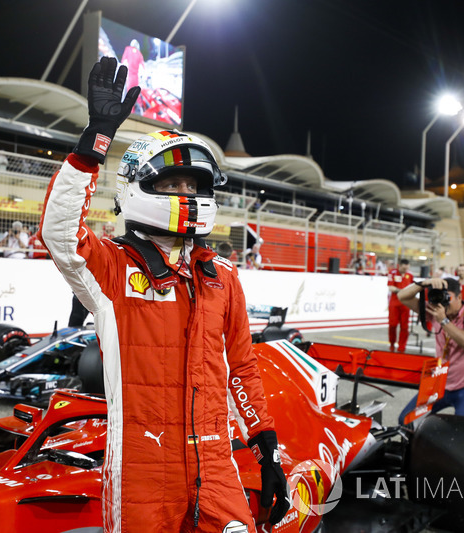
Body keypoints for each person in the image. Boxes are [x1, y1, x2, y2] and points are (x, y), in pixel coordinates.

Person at [39, 56, 289, 532]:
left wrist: (267, 446)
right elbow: (58, 232)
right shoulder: (113, 267)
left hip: (216, 463)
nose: (187, 194)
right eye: (172, 183)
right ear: (140, 189)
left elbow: (243, 367)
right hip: (141, 471)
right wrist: (92, 146)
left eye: (194, 184)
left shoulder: (223, 276)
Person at [396, 277, 464, 424]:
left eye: (447, 298)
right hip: (440, 383)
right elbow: (402, 296)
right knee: (406, 420)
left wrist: (443, 321)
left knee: (462, 429)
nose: (442, 303)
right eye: (438, 298)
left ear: (459, 297)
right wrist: (423, 283)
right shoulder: (436, 311)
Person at [387, 259, 414, 352]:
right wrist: (402, 292)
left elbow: (412, 287)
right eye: (403, 268)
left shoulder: (410, 275)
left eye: (407, 268)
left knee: (404, 326)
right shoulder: (393, 273)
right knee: (392, 324)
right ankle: (392, 343)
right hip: (394, 303)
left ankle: (402, 346)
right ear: (399, 266)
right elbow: (390, 287)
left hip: (406, 304)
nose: (405, 270)